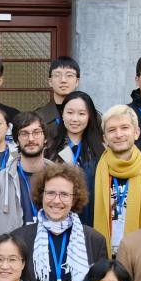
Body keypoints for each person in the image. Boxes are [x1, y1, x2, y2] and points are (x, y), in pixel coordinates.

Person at [13, 162, 109, 281]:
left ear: (74, 198)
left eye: (64, 194)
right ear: (41, 195)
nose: (56, 201)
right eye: (50, 193)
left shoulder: (94, 239)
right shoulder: (20, 238)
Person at [0, 112, 54, 241]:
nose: (31, 139)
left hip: (50, 249)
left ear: (45, 138)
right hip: (13, 251)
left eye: (36, 132)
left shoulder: (60, 179)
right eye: (24, 133)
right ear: (16, 140)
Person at [92, 105, 141, 254]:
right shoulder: (90, 173)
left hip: (140, 255)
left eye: (124, 128)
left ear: (137, 132)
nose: (118, 135)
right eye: (111, 130)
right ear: (105, 138)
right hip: (100, 256)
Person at [44, 91, 103, 225]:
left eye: (81, 114)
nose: (75, 119)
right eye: (70, 113)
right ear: (62, 114)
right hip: (57, 216)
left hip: (92, 217)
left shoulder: (101, 150)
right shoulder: (49, 148)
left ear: (89, 116)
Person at [34, 56, 81, 143]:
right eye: (57, 75)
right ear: (50, 81)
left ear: (77, 81)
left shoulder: (91, 115)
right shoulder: (37, 116)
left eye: (69, 75)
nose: (63, 80)